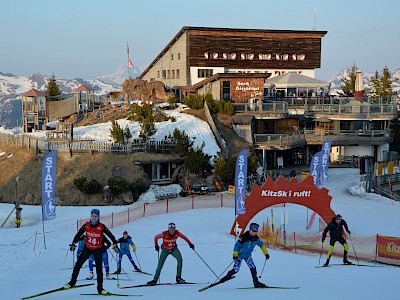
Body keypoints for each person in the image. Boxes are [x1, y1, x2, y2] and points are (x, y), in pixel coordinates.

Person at [66, 209, 120, 295]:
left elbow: (111, 236)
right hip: (87, 249)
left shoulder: (102, 226)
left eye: (96, 216)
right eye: (92, 216)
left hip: (98, 250)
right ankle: (72, 283)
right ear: (90, 216)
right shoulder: (86, 225)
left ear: (98, 217)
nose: (94, 218)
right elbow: (78, 234)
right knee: (78, 265)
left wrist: (115, 244)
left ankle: (100, 289)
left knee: (99, 270)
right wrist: (73, 243)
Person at [219, 223, 270, 288]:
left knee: (253, 267)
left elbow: (261, 245)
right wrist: (235, 255)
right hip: (239, 256)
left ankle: (256, 282)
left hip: (247, 255)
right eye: (253, 231)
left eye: (256, 231)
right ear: (250, 230)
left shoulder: (256, 238)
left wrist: (266, 254)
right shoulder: (244, 237)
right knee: (236, 269)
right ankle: (227, 277)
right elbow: (237, 246)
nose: (255, 232)